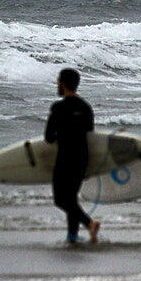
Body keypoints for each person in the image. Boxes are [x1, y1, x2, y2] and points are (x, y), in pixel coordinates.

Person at [44, 67, 99, 244]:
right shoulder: (85, 107)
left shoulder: (58, 107)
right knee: (71, 199)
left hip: (65, 158)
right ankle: (72, 237)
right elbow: (91, 136)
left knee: (61, 200)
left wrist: (59, 134)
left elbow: (48, 137)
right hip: (82, 158)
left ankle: (89, 223)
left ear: (62, 83)